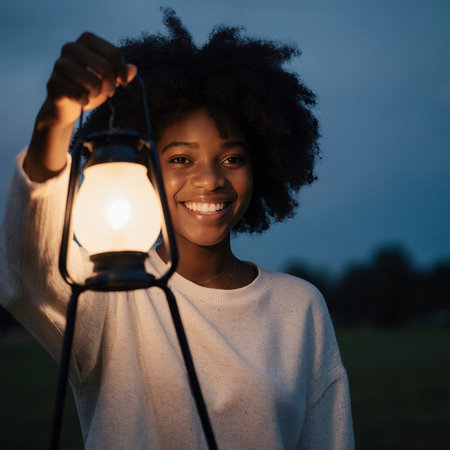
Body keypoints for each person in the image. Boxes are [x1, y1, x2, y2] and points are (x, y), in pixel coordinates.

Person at [0, 8, 354, 450]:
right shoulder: (108, 293)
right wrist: (53, 122)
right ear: (142, 171)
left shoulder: (299, 307)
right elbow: (27, 265)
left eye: (232, 159)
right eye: (181, 159)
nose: (210, 179)